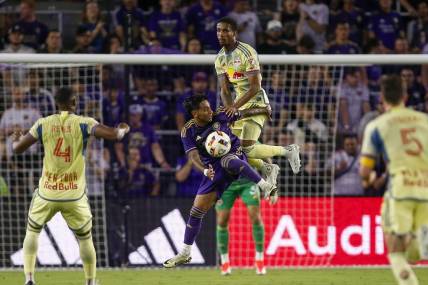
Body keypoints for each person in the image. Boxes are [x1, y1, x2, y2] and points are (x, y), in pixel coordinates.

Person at [12, 87, 130, 285]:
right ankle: (90, 281)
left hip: (47, 193)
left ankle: (29, 278)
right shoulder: (84, 123)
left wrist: (16, 139)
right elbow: (115, 135)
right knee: (85, 238)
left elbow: (17, 149)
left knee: (32, 231)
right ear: (74, 102)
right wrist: (123, 128)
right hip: (74, 195)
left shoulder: (43, 123)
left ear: (56, 103)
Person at [163, 95, 278, 268]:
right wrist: (204, 170)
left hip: (235, 156)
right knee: (196, 212)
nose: (210, 111)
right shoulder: (188, 131)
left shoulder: (221, 115)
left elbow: (245, 113)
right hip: (213, 170)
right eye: (205, 109)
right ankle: (185, 252)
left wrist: (263, 110)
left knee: (228, 160)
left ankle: (266, 186)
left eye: (209, 107)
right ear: (195, 114)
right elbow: (193, 156)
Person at [360, 75, 428, 285]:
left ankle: (408, 275)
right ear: (405, 96)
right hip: (426, 188)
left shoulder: (377, 126)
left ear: (382, 98)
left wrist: (370, 177)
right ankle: (415, 242)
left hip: (400, 188)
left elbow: (364, 171)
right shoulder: (425, 121)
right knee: (414, 252)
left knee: (394, 247)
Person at [215, 17, 301, 184]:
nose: (221, 34)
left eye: (225, 30)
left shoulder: (247, 52)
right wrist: (228, 111)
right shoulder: (219, 59)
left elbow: (254, 86)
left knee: (246, 147)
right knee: (233, 147)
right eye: (219, 30)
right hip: (238, 103)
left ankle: (288, 151)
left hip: (256, 101)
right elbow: (225, 90)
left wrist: (234, 107)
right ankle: (267, 168)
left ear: (234, 33)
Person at [216, 177, 269, 275]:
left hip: (248, 181)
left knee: (255, 216)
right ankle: (225, 262)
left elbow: (267, 162)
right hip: (226, 183)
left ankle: (260, 260)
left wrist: (270, 182)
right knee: (222, 221)